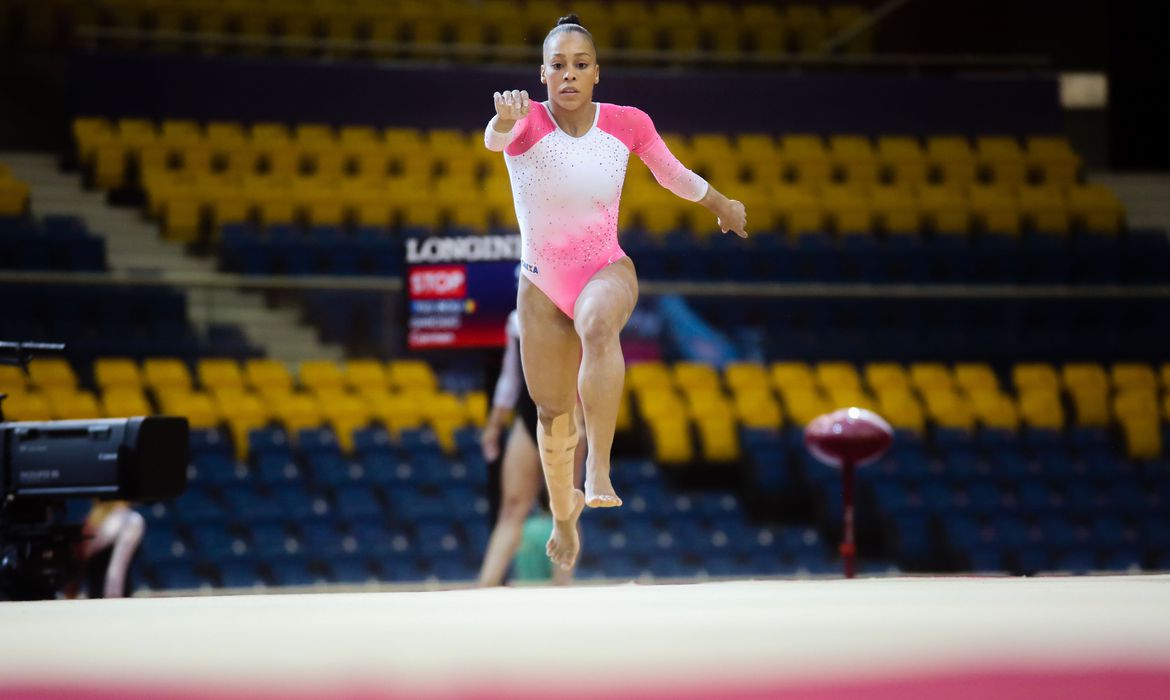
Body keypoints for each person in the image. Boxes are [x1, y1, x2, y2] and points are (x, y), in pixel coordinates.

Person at [484, 14, 748, 571]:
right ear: (542, 74)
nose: (570, 75)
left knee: (598, 323)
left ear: (597, 73)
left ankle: (598, 468)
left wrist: (721, 203)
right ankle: (563, 517)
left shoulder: (627, 124)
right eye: (558, 66)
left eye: (581, 65)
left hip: (605, 266)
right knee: (552, 416)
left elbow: (671, 172)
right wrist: (503, 119)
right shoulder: (526, 120)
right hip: (539, 284)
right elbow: (494, 138)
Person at [478, 310, 586, 586]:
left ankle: (562, 584)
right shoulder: (516, 318)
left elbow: (593, 370)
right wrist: (494, 425)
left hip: (568, 415)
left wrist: (586, 421)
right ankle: (486, 584)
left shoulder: (578, 312)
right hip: (528, 417)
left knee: (565, 507)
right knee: (512, 507)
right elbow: (510, 379)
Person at [64, 500, 145, 599]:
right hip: (97, 525)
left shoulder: (128, 517)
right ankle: (111, 595)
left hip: (116, 520)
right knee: (133, 520)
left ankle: (113, 595)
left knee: (133, 520)